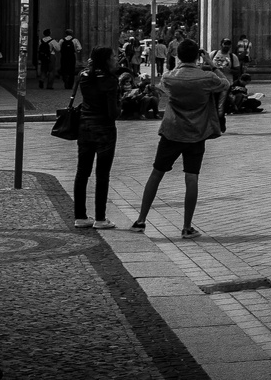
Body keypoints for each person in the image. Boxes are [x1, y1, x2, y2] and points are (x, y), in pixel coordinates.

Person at [130, 39, 229, 237]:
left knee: (156, 173)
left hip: (172, 131)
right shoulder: (207, 77)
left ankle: (141, 220)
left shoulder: (169, 77)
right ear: (197, 56)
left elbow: (163, 86)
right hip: (196, 133)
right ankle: (186, 227)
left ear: (178, 55)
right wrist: (210, 62)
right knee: (191, 178)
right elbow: (225, 84)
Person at [72, 46, 122, 229]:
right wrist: (120, 104)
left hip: (85, 128)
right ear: (106, 60)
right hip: (105, 131)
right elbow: (112, 112)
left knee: (82, 172)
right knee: (102, 174)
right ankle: (100, 218)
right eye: (113, 56)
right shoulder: (110, 81)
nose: (116, 59)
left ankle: (80, 216)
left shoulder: (84, 77)